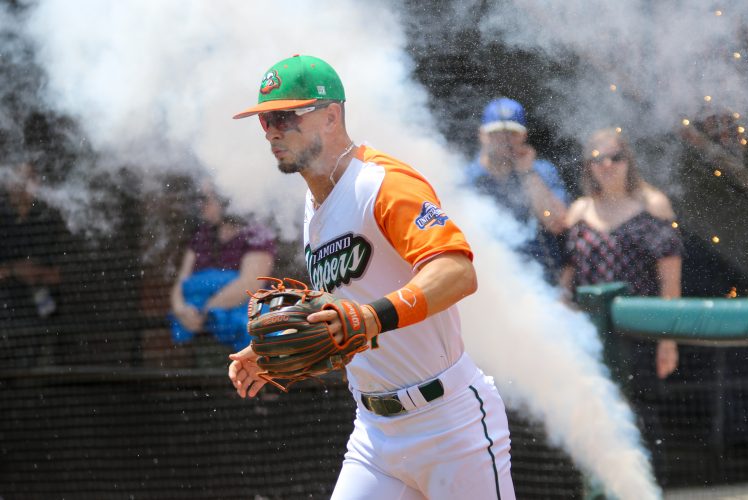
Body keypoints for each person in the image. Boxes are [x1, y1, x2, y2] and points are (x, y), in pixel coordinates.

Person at [228, 54, 515, 499]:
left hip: (449, 422)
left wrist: (373, 316)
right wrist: (277, 345)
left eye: (285, 115)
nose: (273, 131)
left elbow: (456, 271)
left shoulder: (381, 182)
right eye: (265, 120)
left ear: (330, 115)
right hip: (374, 433)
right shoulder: (314, 207)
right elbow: (345, 308)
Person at [559, 128, 681, 482]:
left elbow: (670, 282)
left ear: (629, 161)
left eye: (615, 157)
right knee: (593, 420)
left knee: (641, 421)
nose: (607, 165)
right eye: (598, 159)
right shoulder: (579, 210)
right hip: (588, 336)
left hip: (639, 336)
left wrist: (668, 340)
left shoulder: (652, 204)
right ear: (589, 166)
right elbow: (568, 276)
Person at [465, 97, 570, 284]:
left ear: (524, 136)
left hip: (540, 284)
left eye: (512, 134)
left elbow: (557, 223)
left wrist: (528, 174)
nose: (505, 141)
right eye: (496, 133)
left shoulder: (542, 172)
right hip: (488, 283)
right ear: (482, 135)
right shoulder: (467, 179)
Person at [170, 181, 276, 363]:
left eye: (205, 199)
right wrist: (181, 311)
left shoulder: (256, 234)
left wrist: (205, 310)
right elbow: (181, 282)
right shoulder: (200, 236)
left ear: (226, 199)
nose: (199, 205)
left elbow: (250, 284)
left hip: (243, 330)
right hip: (202, 333)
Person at [0, 161, 65, 367]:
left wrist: (35, 273)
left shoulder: (49, 220)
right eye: (20, 178)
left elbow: (61, 273)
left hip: (41, 307)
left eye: (31, 178)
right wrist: (14, 270)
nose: (25, 185)